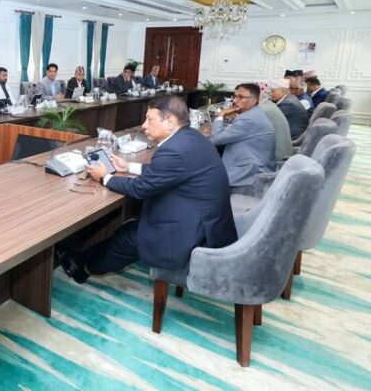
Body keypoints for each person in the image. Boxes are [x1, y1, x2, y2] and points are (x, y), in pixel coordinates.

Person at [61, 95, 237, 282]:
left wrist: (104, 177)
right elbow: (167, 171)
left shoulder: (173, 150)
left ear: (170, 122)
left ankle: (84, 269)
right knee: (128, 229)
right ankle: (81, 257)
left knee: (126, 240)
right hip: (201, 221)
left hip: (192, 234)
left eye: (149, 119)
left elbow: (139, 189)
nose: (144, 125)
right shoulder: (191, 137)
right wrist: (128, 166)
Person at [209, 83, 275, 190]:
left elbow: (215, 139)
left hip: (248, 175)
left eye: (241, 97)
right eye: (235, 96)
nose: (235, 101)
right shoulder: (255, 113)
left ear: (254, 100)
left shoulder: (248, 119)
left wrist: (220, 116)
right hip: (253, 167)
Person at [258, 94, 293, 163]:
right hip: (285, 154)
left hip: (276, 160)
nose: (236, 101)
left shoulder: (261, 110)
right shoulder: (270, 105)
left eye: (241, 97)